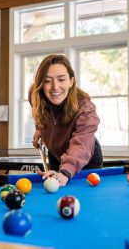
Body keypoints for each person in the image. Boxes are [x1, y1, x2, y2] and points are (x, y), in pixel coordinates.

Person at [30, 54, 102, 186]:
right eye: (47, 81)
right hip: (55, 152)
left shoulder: (85, 109)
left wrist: (65, 173)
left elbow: (82, 144)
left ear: (71, 81)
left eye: (61, 79)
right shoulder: (35, 95)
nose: (55, 87)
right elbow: (38, 111)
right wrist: (39, 129)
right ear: (40, 84)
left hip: (84, 158)